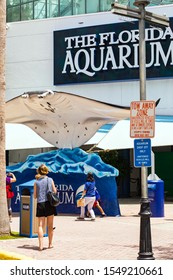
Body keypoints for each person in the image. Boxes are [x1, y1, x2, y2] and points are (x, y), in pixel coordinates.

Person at [34, 164, 57, 251]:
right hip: (49, 204)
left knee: (40, 225)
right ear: (46, 171)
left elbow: (35, 196)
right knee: (50, 225)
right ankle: (50, 244)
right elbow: (54, 191)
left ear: (39, 171)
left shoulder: (36, 182)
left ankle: (40, 246)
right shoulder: (50, 180)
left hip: (40, 204)